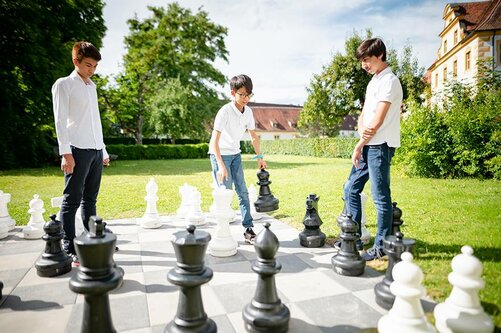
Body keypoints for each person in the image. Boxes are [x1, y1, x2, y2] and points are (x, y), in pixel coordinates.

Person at [342, 38, 403, 261]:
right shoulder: (374, 81)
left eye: (366, 60)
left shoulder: (390, 81)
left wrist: (358, 145)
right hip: (368, 144)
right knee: (350, 188)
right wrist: (360, 131)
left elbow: (376, 122)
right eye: (362, 61)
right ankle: (353, 237)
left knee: (380, 197)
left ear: (380, 56)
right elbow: (365, 114)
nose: (363, 65)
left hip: (380, 146)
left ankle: (381, 247)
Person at [52, 41, 110, 265]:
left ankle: (93, 240)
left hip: (95, 151)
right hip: (76, 150)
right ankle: (69, 246)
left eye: (95, 66)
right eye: (88, 65)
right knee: (71, 200)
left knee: (90, 200)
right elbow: (59, 121)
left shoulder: (91, 87)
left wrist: (103, 150)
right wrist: (66, 153)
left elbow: (95, 122)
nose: (92, 70)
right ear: (75, 61)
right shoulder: (63, 85)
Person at [209, 74, 266, 244]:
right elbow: (214, 141)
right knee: (225, 193)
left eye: (249, 95)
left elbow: (254, 136)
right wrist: (220, 165)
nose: (246, 98)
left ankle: (248, 229)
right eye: (242, 94)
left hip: (235, 155)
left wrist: (260, 157)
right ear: (232, 93)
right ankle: (222, 231)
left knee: (243, 191)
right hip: (220, 154)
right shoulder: (224, 111)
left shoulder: (248, 112)